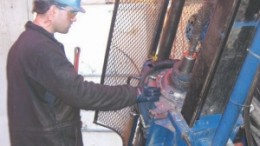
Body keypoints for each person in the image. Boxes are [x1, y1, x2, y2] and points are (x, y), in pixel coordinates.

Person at [6, 0, 161, 145]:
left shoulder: (24, 43)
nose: (74, 19)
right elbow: (82, 93)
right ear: (52, 11)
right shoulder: (41, 50)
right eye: (72, 13)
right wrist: (134, 94)